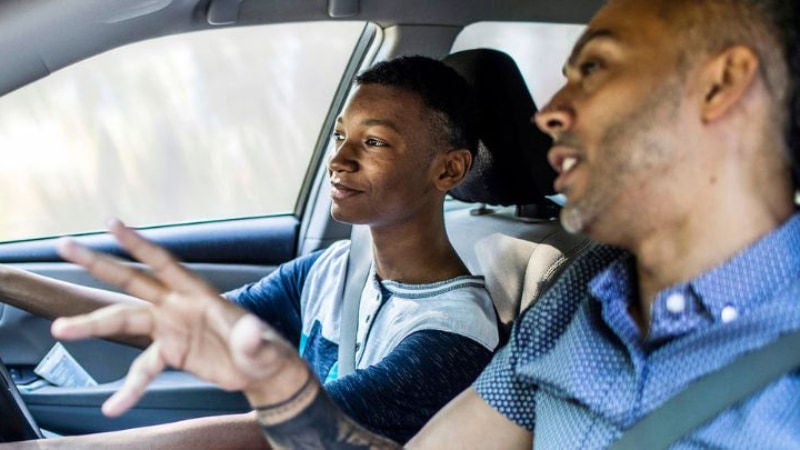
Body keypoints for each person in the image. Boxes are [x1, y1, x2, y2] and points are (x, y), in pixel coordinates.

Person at [49, 0, 800, 448]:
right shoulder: (577, 298)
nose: (548, 113)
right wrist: (287, 393)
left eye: (594, 68)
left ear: (721, 83)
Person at [2, 56, 500, 448]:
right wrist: (7, 280)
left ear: (448, 171)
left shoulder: (452, 336)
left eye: (373, 142)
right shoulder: (333, 271)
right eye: (340, 135)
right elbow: (191, 322)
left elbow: (273, 434)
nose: (339, 160)